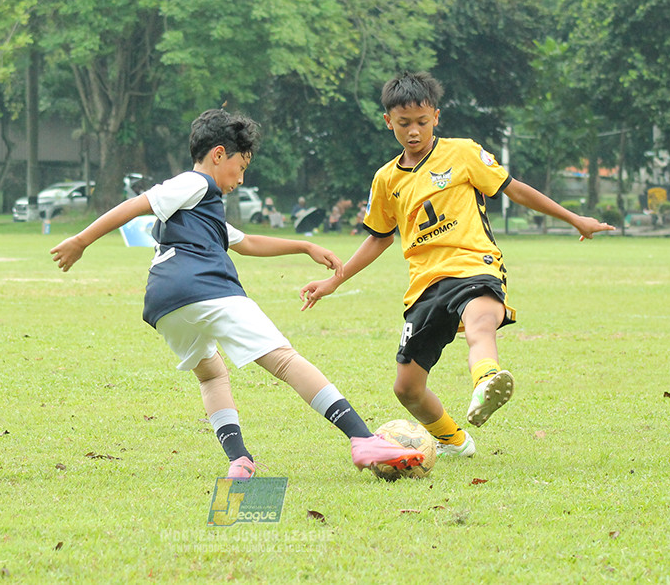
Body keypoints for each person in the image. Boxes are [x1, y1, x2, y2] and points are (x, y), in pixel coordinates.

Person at [51, 108, 424, 478]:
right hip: (204, 286)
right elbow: (136, 205)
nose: (241, 180)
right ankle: (362, 438)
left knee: (211, 375)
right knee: (284, 360)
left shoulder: (199, 209)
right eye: (241, 167)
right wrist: (81, 240)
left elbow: (246, 243)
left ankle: (239, 460)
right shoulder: (195, 184)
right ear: (218, 155)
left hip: (165, 303)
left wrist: (304, 246)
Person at [300, 71, 615, 458]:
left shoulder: (464, 153)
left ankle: (486, 380)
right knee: (407, 388)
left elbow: (515, 189)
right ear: (388, 122)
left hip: (473, 264)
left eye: (421, 121)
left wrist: (574, 219)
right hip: (425, 285)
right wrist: (335, 280)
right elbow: (379, 237)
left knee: (480, 321)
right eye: (403, 123)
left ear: (436, 116)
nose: (413, 131)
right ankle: (454, 441)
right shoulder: (386, 179)